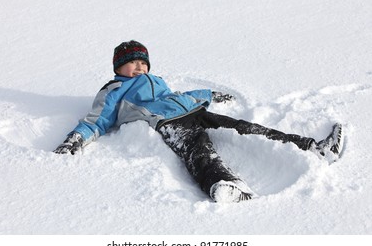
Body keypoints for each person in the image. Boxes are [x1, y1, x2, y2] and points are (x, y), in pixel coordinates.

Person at [54, 40, 344, 203]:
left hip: (192, 110)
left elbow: (177, 94)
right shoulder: (115, 89)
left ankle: (312, 147)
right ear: (119, 67)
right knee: (197, 149)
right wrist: (77, 138)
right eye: (133, 63)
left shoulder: (157, 81)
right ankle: (223, 184)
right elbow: (98, 119)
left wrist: (208, 94)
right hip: (167, 122)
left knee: (245, 128)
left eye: (143, 63)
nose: (140, 67)